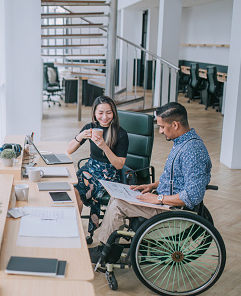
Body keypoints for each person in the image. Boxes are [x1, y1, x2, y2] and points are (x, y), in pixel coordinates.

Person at [90, 102, 212, 262]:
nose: (160, 131)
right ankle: (107, 248)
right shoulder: (182, 142)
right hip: (164, 199)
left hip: (173, 208)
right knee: (116, 195)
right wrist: (152, 186)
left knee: (119, 205)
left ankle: (105, 254)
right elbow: (176, 177)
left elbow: (192, 196)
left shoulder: (192, 152)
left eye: (162, 127)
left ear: (175, 124)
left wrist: (157, 199)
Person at [67, 96, 129, 237]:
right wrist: (81, 136)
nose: (104, 117)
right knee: (73, 190)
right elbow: (69, 150)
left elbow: (119, 165)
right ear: (94, 113)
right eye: (100, 113)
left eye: (108, 112)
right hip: (90, 168)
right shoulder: (90, 127)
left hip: (109, 173)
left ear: (114, 113)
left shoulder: (120, 133)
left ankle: (88, 232)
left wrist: (104, 146)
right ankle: (74, 229)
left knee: (92, 192)